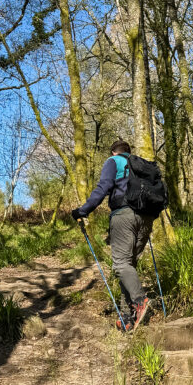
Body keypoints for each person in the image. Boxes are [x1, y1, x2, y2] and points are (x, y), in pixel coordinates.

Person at [71, 140, 153, 331]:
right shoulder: (141, 165)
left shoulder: (113, 161)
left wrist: (83, 210)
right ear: (129, 151)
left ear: (113, 151)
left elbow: (104, 186)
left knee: (121, 264)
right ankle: (127, 317)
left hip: (123, 214)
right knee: (128, 266)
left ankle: (141, 301)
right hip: (147, 218)